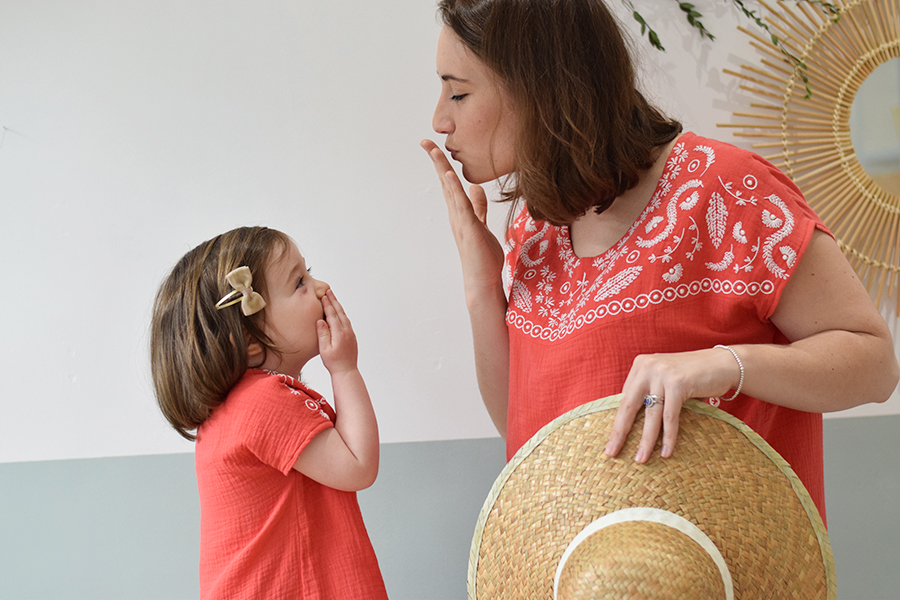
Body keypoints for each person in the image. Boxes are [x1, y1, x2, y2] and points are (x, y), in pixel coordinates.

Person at [420, 0, 899, 522]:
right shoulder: (538, 226)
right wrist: (481, 287)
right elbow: (527, 437)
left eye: (459, 92)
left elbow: (874, 366)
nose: (440, 118)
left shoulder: (727, 190)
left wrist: (723, 364)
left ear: (538, 88)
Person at [150, 226, 388, 600]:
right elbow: (358, 464)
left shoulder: (238, 407)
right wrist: (344, 368)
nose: (322, 287)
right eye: (299, 282)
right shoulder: (263, 402)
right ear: (247, 339)